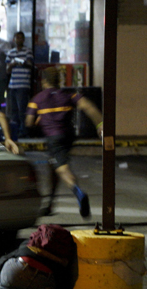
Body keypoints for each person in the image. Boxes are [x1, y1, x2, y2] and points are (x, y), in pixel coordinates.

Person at [26, 67, 103, 218]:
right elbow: (89, 107)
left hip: (54, 139)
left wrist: (39, 121)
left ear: (44, 81)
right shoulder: (69, 95)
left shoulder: (37, 99)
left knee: (61, 169)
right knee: (53, 166)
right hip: (68, 137)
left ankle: (78, 191)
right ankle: (50, 204)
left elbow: (28, 123)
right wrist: (100, 125)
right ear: (59, 81)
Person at [6, 31, 34, 139]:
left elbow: (30, 65)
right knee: (14, 110)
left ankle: (24, 131)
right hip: (13, 85)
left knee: (22, 109)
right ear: (14, 39)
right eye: (17, 37)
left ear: (23, 40)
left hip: (23, 84)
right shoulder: (10, 52)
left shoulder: (28, 51)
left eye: (21, 38)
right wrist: (13, 64)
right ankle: (16, 130)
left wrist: (22, 62)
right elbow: (7, 70)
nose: (19, 40)